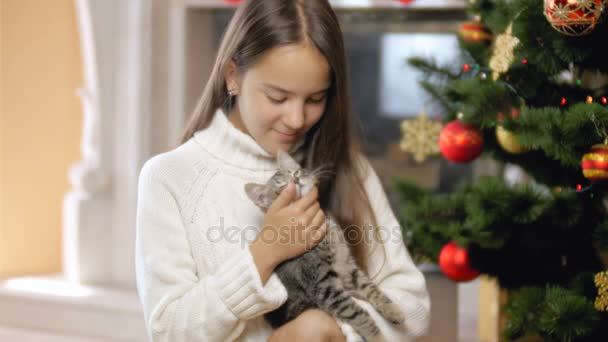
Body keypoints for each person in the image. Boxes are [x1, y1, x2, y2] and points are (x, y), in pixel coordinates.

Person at [134, 0, 430, 341]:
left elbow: (412, 306)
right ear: (233, 76)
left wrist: (334, 332)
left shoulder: (349, 169)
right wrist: (266, 252)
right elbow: (169, 331)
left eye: (315, 99)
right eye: (277, 98)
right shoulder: (170, 178)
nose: (296, 119)